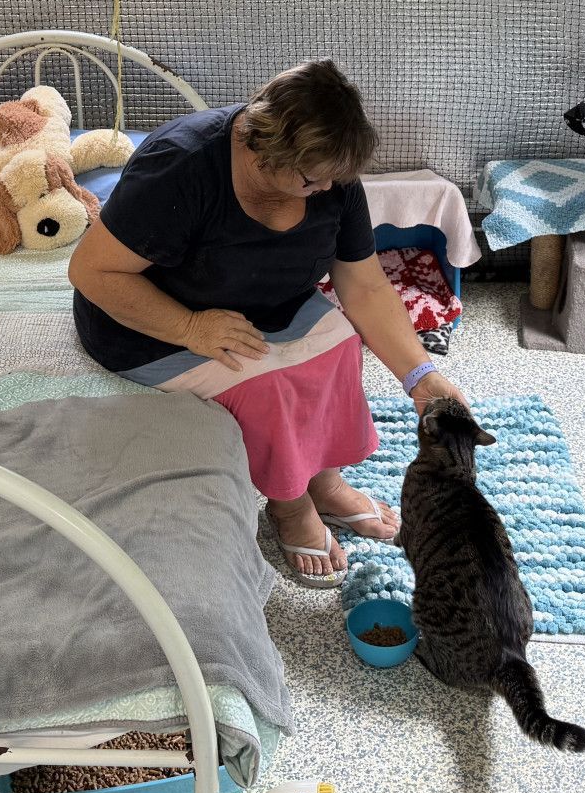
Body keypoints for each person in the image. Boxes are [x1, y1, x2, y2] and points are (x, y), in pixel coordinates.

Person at [68, 60, 466, 586]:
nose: (327, 187)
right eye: (311, 179)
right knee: (266, 384)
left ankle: (325, 484)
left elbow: (365, 286)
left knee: (341, 345)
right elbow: (91, 271)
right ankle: (290, 505)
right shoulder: (180, 167)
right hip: (151, 320)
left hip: (267, 300)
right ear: (263, 150)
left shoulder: (332, 179)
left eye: (334, 177)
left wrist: (420, 375)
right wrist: (189, 328)